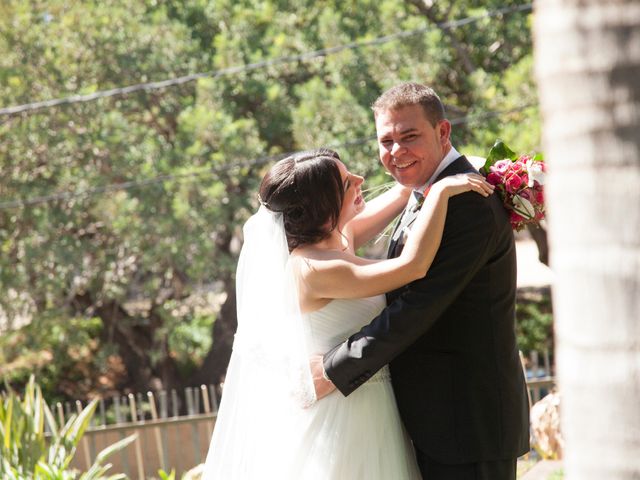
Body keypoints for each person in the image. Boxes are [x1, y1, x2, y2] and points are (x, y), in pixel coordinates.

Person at [202, 146, 494, 479]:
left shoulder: (340, 239)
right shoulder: (312, 268)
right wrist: (441, 192)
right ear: (320, 206)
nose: (360, 180)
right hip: (342, 416)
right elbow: (413, 266)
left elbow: (404, 190)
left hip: (369, 404)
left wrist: (465, 163)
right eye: (346, 183)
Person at [312, 82, 530, 480]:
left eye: (409, 136)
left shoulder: (467, 202)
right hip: (437, 421)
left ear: (443, 132)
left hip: (467, 422)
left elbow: (420, 305)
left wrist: (335, 369)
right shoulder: (429, 191)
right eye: (386, 140)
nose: (396, 151)